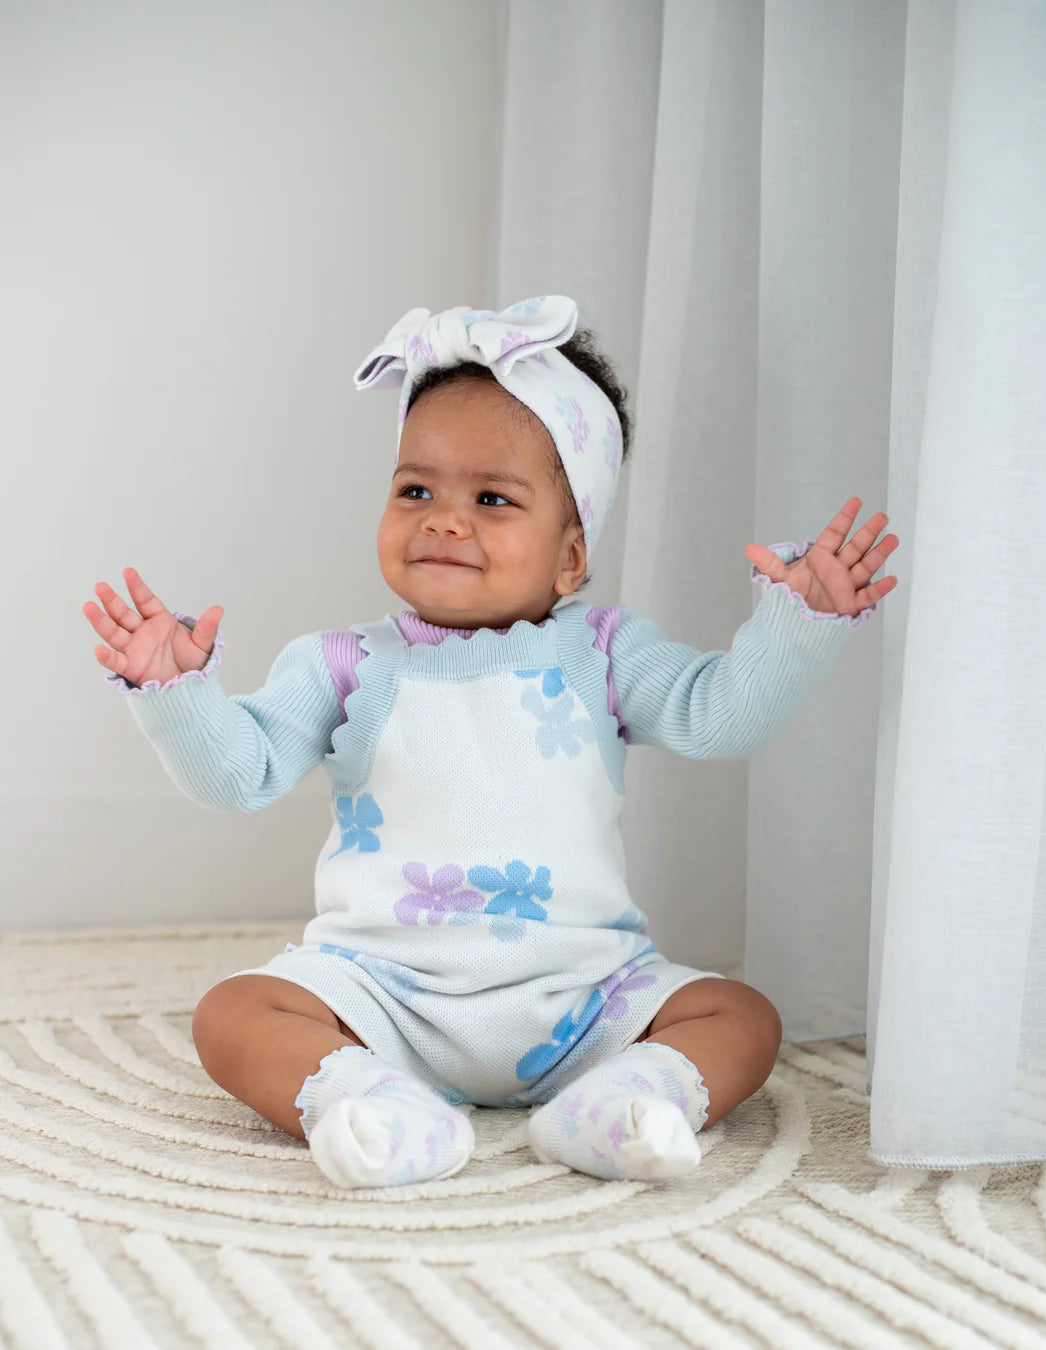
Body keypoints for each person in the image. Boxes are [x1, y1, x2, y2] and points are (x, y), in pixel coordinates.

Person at [82, 295, 899, 1190]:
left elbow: (724, 715)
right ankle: (371, 1103)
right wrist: (174, 693)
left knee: (740, 1015)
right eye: (416, 489)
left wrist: (801, 625)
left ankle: (622, 1099)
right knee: (233, 1013)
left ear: (570, 557)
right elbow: (239, 775)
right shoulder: (342, 663)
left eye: (493, 498)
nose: (443, 518)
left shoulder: (604, 651)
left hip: (582, 995)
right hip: (382, 994)